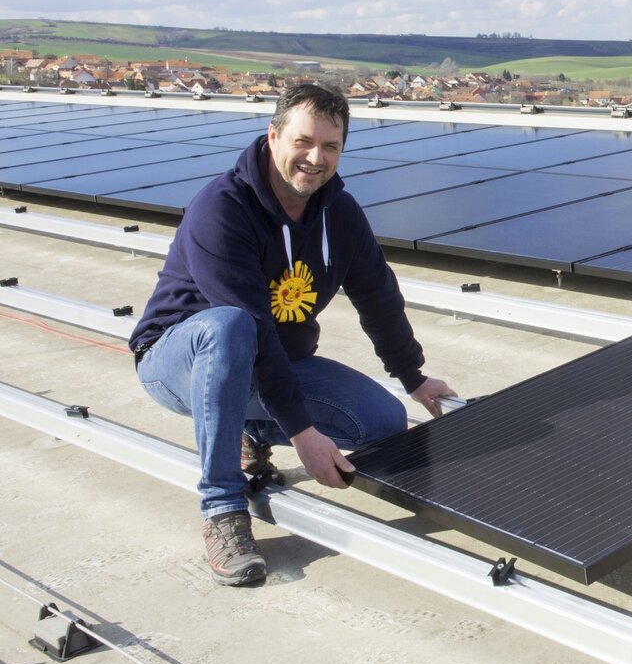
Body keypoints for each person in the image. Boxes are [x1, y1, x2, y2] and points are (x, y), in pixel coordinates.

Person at [130, 84, 455, 585]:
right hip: (180, 362)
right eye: (303, 141)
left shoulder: (339, 213)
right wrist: (302, 432)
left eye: (330, 146)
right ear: (273, 136)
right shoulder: (223, 208)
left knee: (383, 422)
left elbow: (377, 294)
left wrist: (412, 376)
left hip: (274, 365)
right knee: (230, 325)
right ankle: (222, 508)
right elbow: (253, 326)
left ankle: (249, 427)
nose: (315, 158)